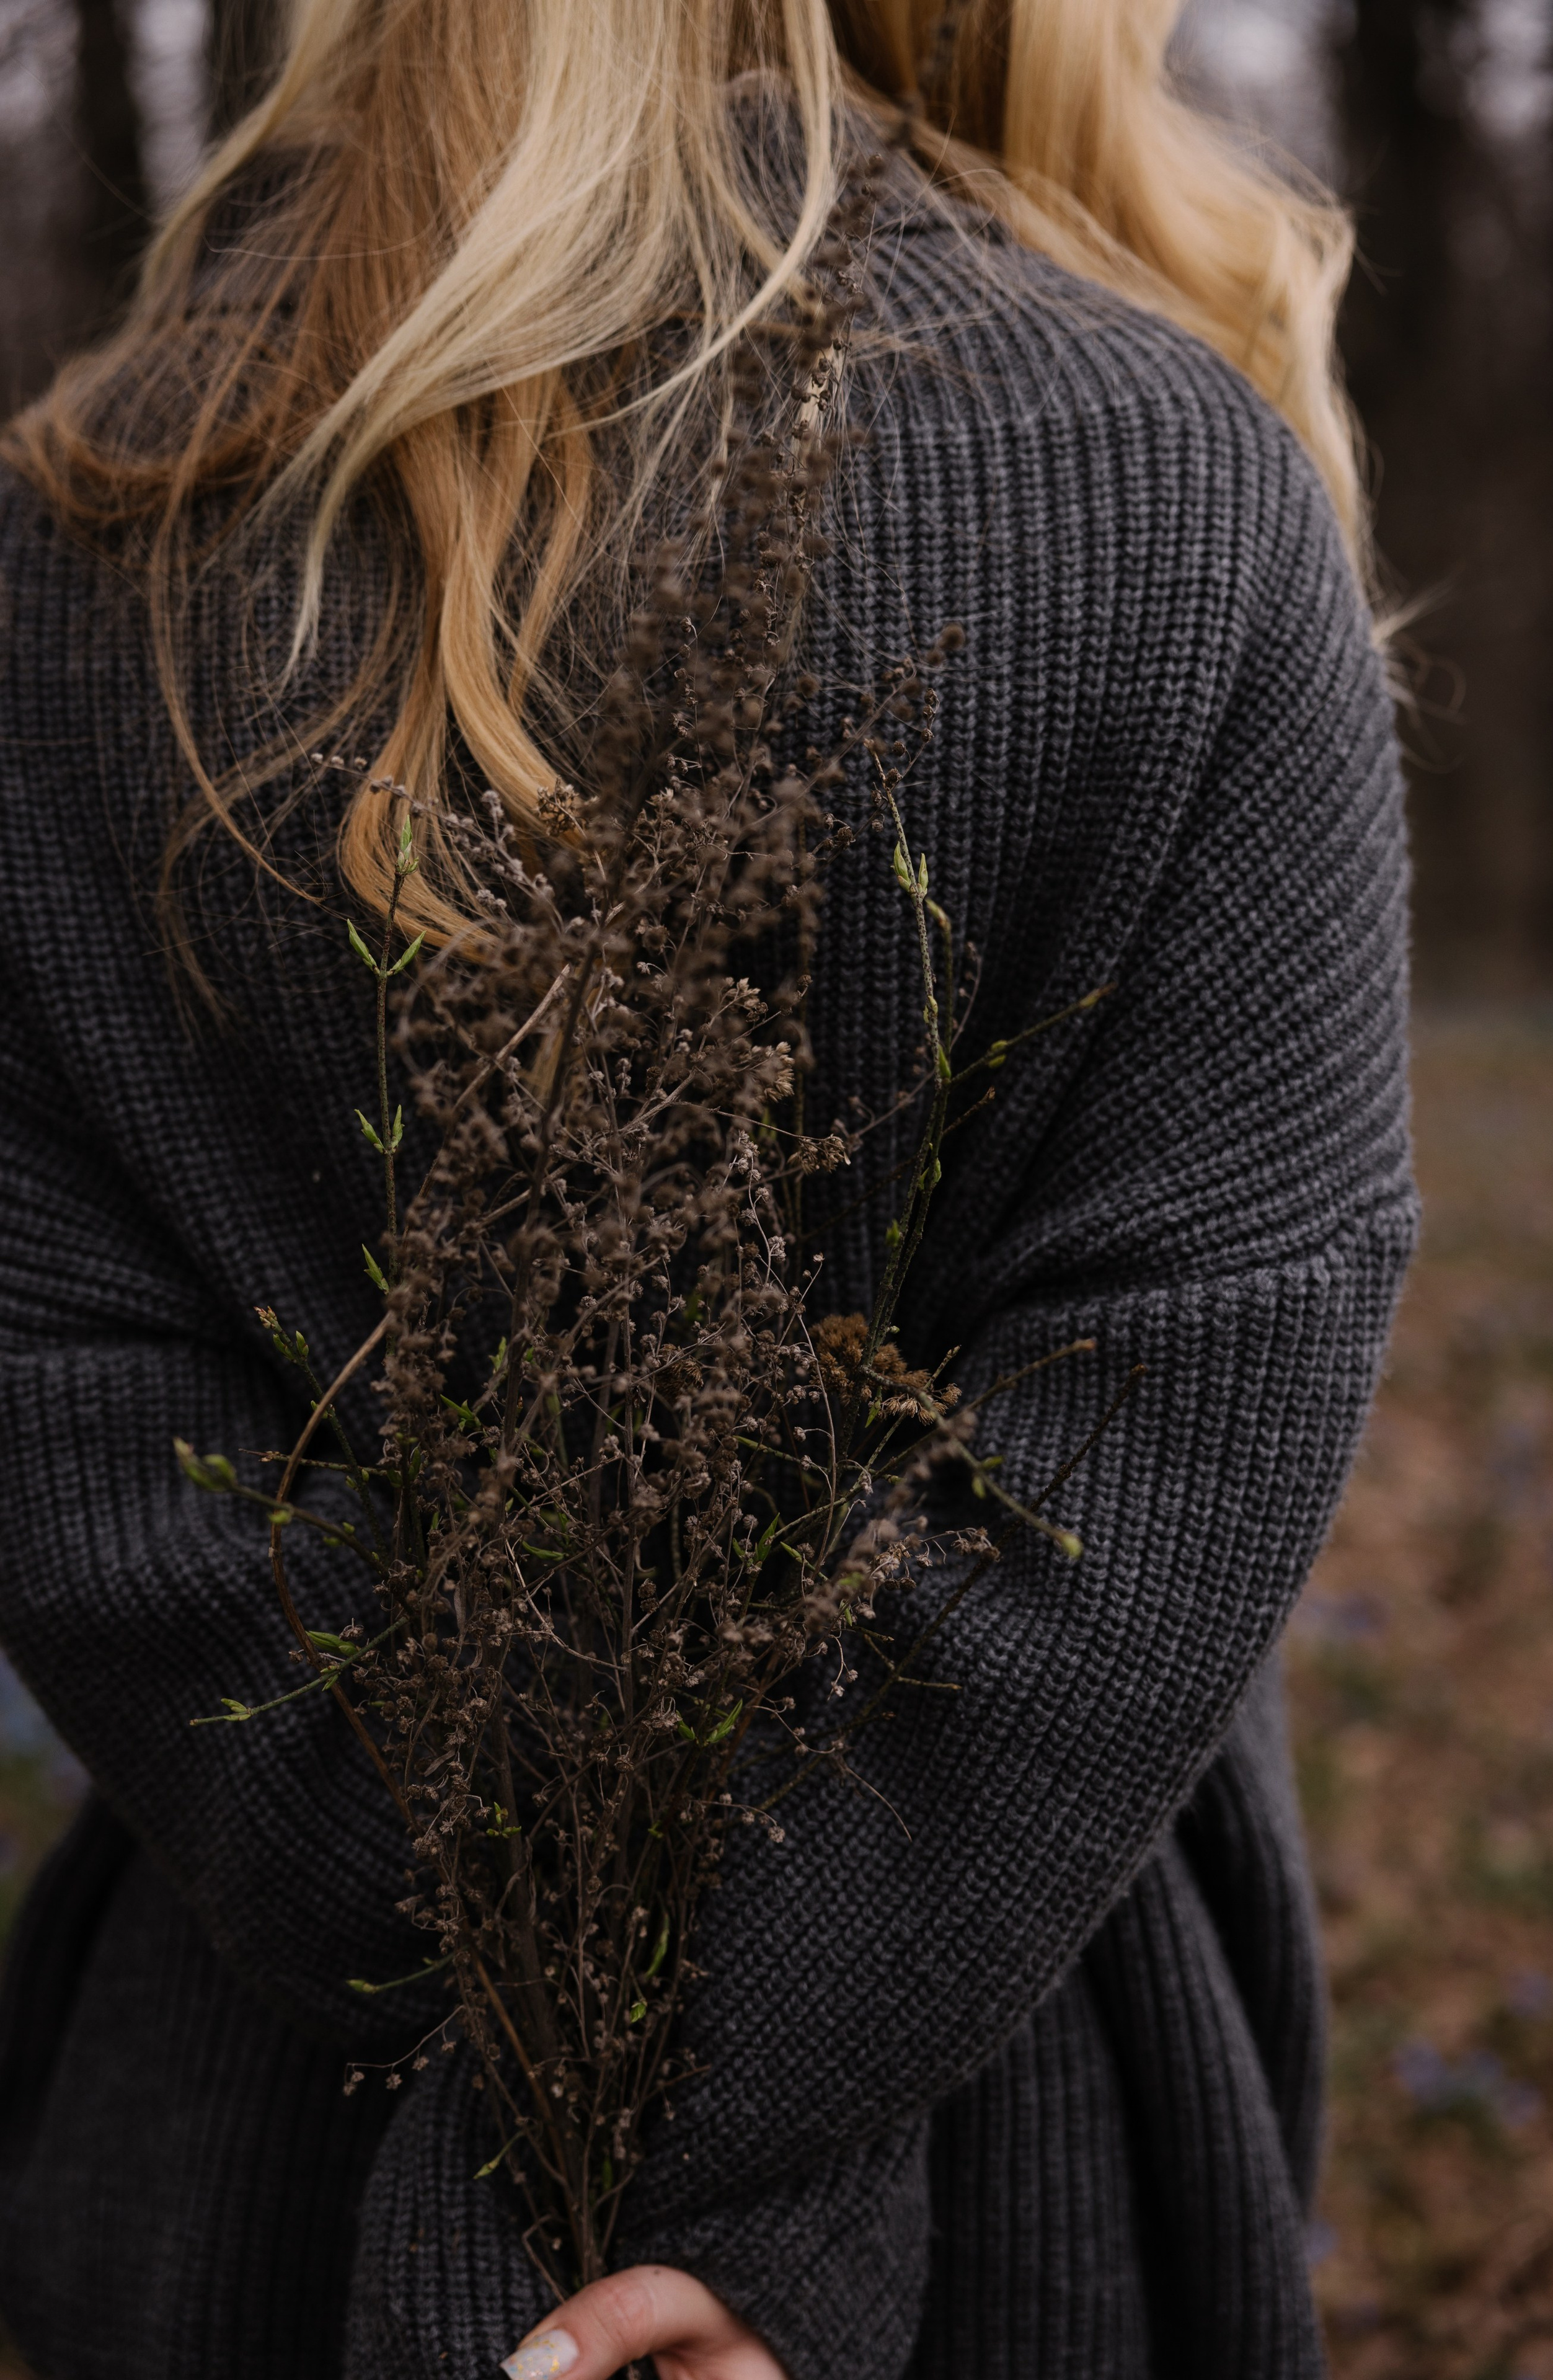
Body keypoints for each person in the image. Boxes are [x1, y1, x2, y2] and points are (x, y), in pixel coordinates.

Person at [0, 2, 1417, 2376]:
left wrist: (547, 2096)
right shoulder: (1172, 488)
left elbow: (72, 1414)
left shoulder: (84, 538)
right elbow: (1169, 1420)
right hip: (1008, 2174)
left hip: (256, 2133)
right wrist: (746, 2186)